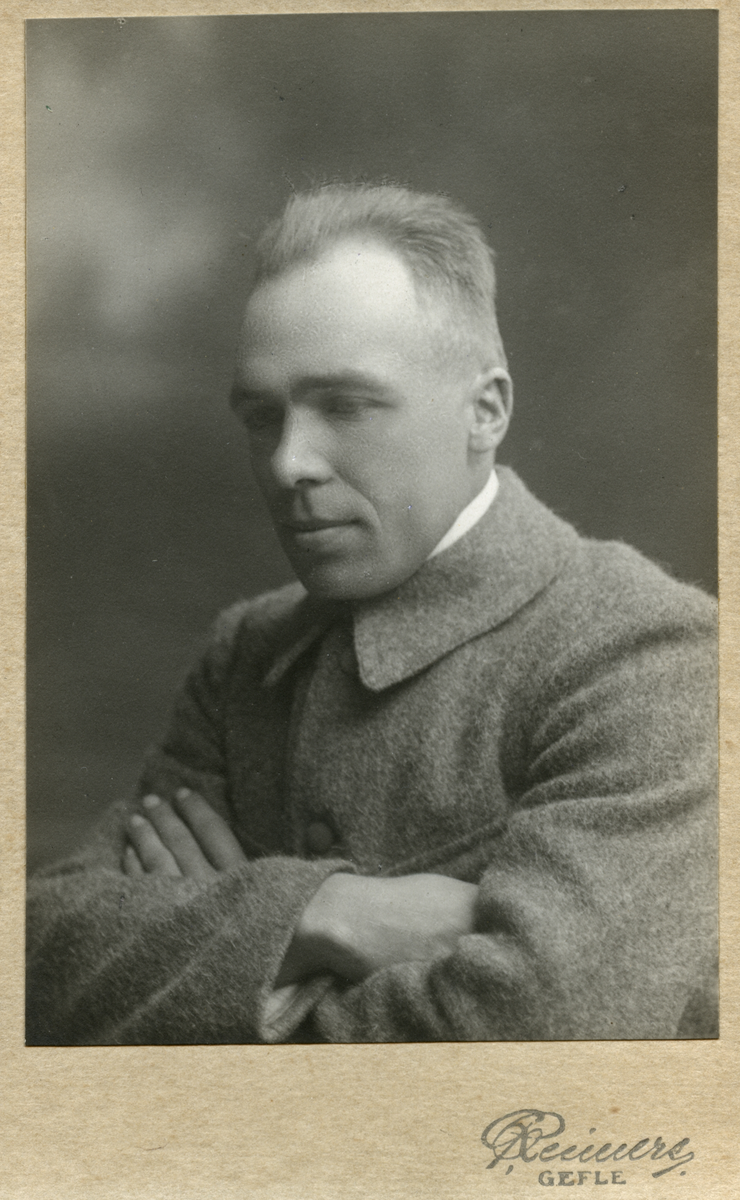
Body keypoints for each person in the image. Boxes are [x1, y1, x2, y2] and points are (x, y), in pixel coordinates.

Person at [26, 184, 717, 1045]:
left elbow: (546, 1036)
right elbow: (34, 959)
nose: (289, 463)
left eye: (346, 406)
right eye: (261, 417)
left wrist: (224, 969)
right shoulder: (248, 653)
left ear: (486, 411)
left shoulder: (643, 654)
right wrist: (326, 914)